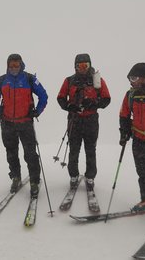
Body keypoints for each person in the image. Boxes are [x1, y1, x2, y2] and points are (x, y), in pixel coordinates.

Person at [0, 54, 48, 198]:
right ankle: (15, 177)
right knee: (11, 153)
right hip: (7, 123)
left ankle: (34, 181)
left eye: (17, 65)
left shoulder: (29, 79)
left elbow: (43, 95)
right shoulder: (2, 80)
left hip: (25, 123)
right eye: (11, 66)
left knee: (30, 154)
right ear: (7, 66)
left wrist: (38, 111)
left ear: (21, 64)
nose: (14, 68)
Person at [57, 53, 111, 190]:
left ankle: (90, 177)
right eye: (79, 66)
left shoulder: (97, 81)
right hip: (74, 120)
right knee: (74, 149)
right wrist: (69, 106)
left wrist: (94, 104)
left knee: (90, 149)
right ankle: (73, 176)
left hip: (91, 120)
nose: (82, 68)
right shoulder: (69, 80)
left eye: (85, 65)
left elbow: (106, 99)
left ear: (90, 65)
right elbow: (61, 98)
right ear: (75, 67)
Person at [119, 63, 145, 211]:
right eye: (130, 78)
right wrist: (124, 132)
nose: (132, 81)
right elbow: (124, 114)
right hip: (138, 140)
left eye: (135, 78)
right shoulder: (131, 95)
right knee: (143, 173)